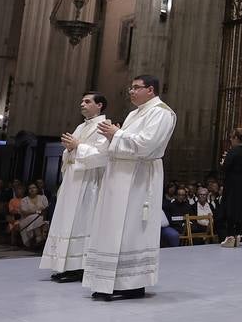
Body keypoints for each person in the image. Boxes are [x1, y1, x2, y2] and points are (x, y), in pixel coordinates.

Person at [83, 74, 177, 301]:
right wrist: (112, 136)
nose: (131, 92)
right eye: (131, 88)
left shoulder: (162, 112)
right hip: (120, 178)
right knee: (116, 229)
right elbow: (124, 143)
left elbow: (147, 146)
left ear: (151, 90)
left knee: (132, 230)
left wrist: (117, 134)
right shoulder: (135, 114)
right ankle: (112, 281)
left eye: (136, 88)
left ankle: (133, 284)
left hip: (139, 181)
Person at [40, 92, 110, 282]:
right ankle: (64, 265)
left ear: (100, 105)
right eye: (82, 101)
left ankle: (79, 267)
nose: (82, 104)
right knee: (65, 223)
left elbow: (102, 157)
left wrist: (78, 146)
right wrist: (69, 149)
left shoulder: (105, 126)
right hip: (72, 181)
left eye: (87, 101)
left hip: (88, 184)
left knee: (81, 223)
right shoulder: (81, 126)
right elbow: (71, 153)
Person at [218, 129, 242, 248]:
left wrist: (223, 163)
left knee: (230, 208)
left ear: (236, 138)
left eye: (232, 137)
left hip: (232, 184)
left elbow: (226, 167)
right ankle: (238, 235)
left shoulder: (234, 151)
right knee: (240, 208)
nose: (230, 140)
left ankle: (230, 237)